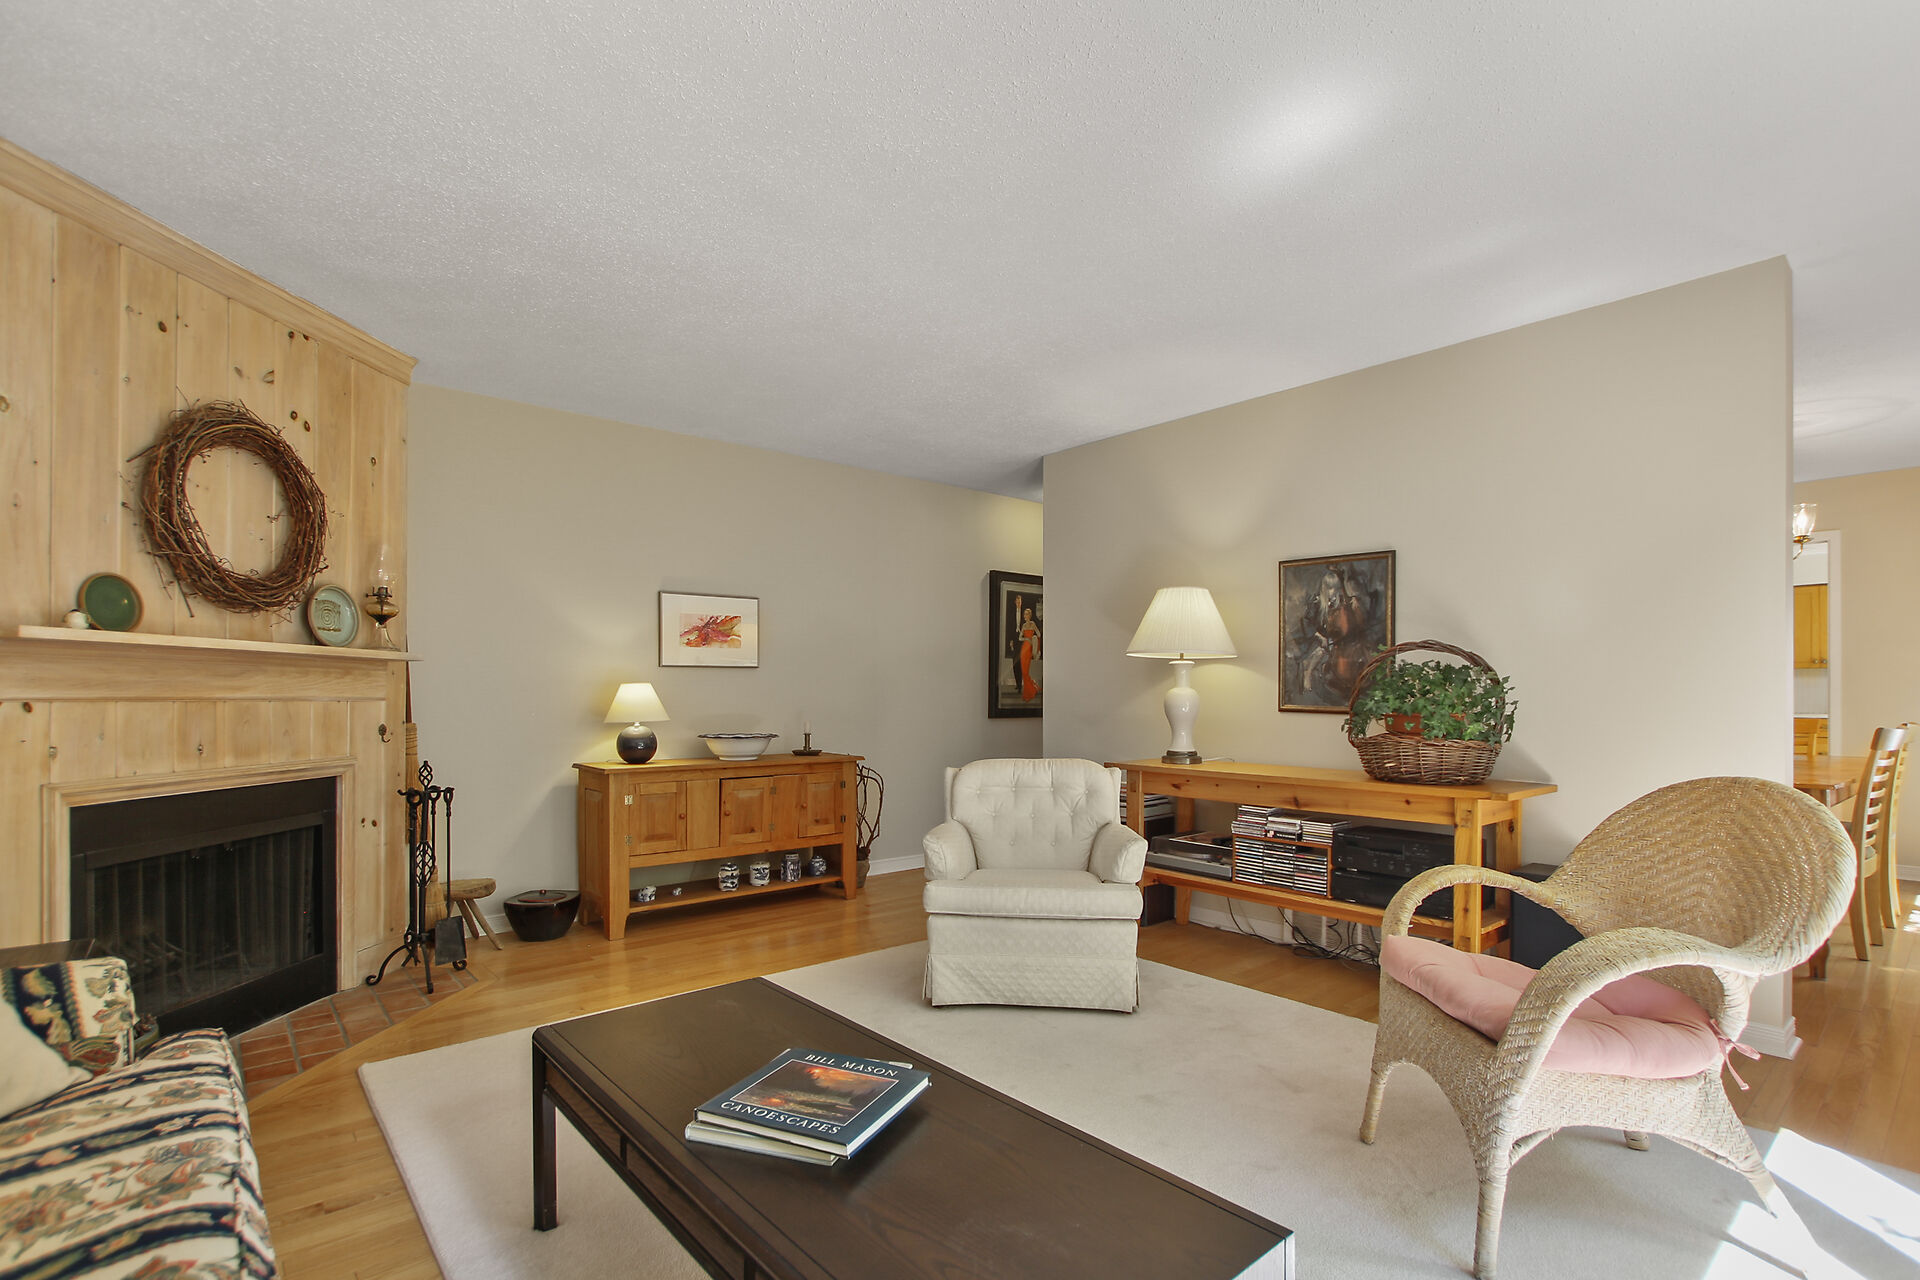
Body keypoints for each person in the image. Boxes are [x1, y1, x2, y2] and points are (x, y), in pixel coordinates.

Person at [1017, 605, 1041, 702]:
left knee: (1026, 672)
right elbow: (1019, 638)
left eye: (1026, 614)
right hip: (1023, 649)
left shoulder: (1032, 624)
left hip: (1029, 649)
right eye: (1024, 614)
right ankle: (1028, 691)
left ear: (1030, 615)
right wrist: (1026, 638)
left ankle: (1030, 692)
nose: (1025, 616)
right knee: (1024, 672)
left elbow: (1039, 634)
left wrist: (1034, 638)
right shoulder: (1023, 625)